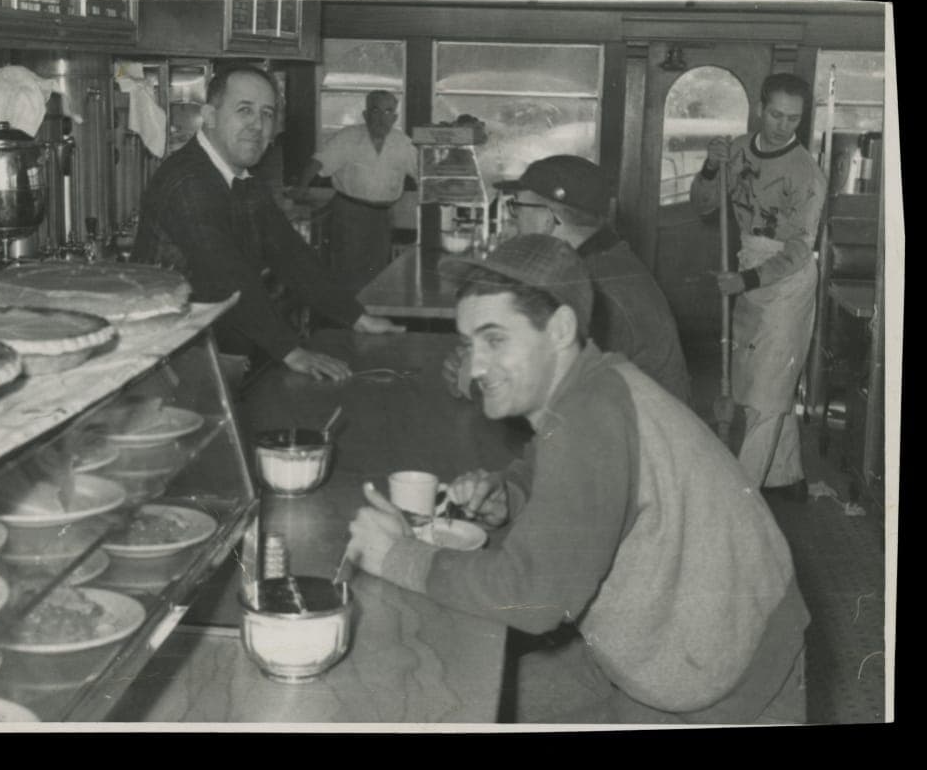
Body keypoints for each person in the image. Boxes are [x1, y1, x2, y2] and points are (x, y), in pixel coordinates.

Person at [345, 233, 810, 724]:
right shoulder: (594, 385)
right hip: (689, 639)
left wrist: (398, 556)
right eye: (468, 343)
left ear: (562, 328)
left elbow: (535, 597)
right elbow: (569, 478)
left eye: (495, 338)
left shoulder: (590, 417)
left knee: (450, 697)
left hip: (731, 681)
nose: (475, 366)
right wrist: (511, 495)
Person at [133, 65, 403, 382]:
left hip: (207, 349)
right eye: (244, 110)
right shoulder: (188, 181)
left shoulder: (242, 178)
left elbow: (289, 253)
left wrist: (356, 317)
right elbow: (226, 275)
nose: (257, 125)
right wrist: (290, 350)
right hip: (166, 360)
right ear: (209, 115)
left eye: (266, 114)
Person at [443, 155, 692, 405]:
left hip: (637, 438)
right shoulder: (598, 262)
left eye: (516, 208)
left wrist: (474, 380)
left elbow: (554, 396)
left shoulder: (597, 289)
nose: (512, 219)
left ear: (548, 219)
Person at [690, 73, 826, 501]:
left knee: (765, 391)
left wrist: (745, 280)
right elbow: (704, 205)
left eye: (793, 119)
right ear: (760, 108)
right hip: (749, 267)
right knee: (756, 379)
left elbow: (800, 250)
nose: (782, 125)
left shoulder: (807, 174)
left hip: (786, 282)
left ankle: (738, 501)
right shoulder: (737, 153)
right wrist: (712, 167)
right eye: (775, 114)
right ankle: (784, 478)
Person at [293, 90, 418, 294]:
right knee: (348, 274)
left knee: (378, 274)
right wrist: (301, 188)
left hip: (382, 217)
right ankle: (347, 323)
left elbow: (422, 171)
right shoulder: (348, 137)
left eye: (388, 112)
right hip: (349, 214)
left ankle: (368, 320)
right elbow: (319, 162)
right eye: (375, 110)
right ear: (365, 114)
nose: (381, 118)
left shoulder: (402, 142)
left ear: (395, 117)